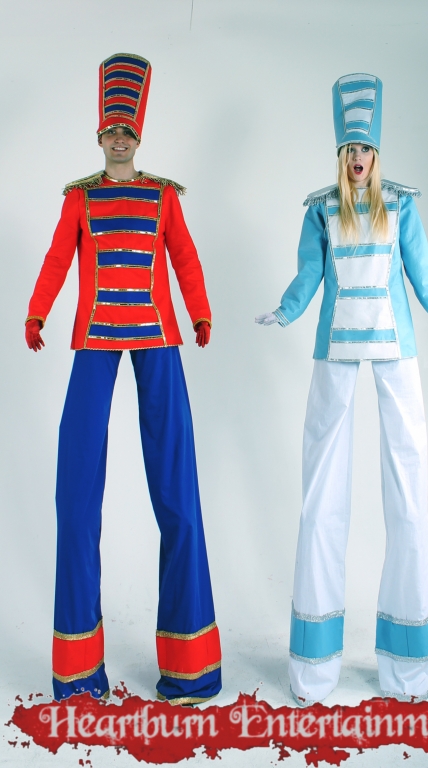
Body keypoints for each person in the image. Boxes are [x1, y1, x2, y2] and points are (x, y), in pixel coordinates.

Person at [256, 73, 428, 705]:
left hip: (396, 348)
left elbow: (420, 270)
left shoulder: (400, 205)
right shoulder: (321, 208)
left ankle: (408, 666)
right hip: (334, 350)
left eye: (366, 149)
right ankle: (314, 667)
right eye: (349, 148)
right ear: (340, 152)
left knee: (408, 485)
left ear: (377, 153)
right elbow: (310, 274)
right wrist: (286, 311)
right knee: (321, 492)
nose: (357, 157)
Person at [25, 53, 222, 706]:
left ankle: (190, 668)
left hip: (159, 340)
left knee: (177, 492)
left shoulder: (164, 196)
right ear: (99, 134)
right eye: (111, 130)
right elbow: (57, 258)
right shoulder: (79, 198)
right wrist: (36, 311)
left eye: (127, 131)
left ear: (139, 136)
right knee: (76, 495)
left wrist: (198, 311)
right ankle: (79, 673)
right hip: (93, 340)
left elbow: (185, 257)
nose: (118, 139)